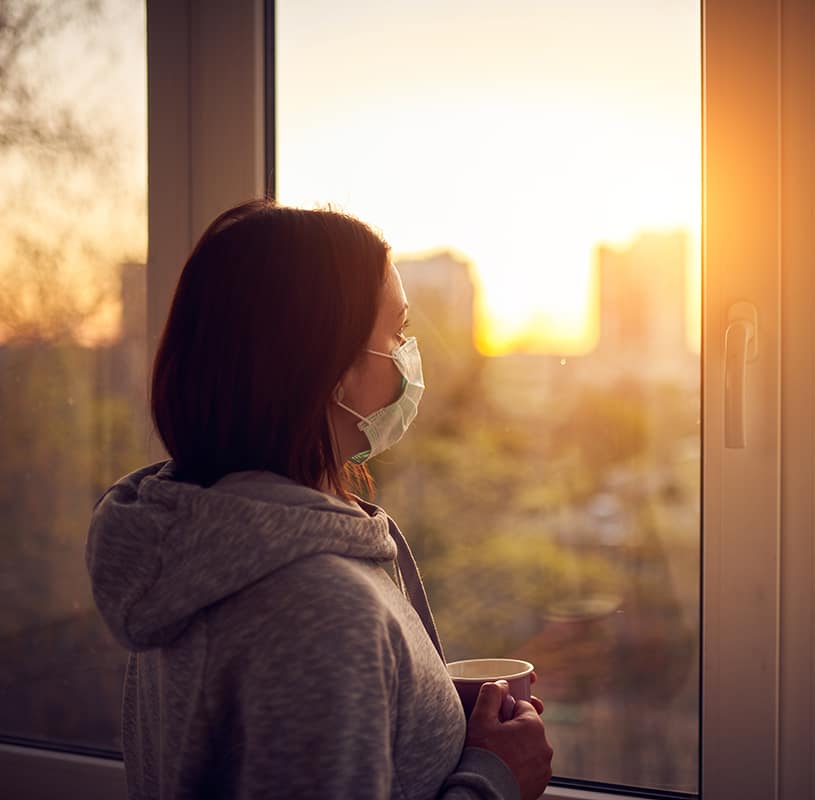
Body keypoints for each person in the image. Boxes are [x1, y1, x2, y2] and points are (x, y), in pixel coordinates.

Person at [86, 199, 554, 800]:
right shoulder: (319, 608)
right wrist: (495, 779)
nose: (410, 357)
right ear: (330, 366)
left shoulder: (193, 546)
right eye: (398, 333)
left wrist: (416, 711)